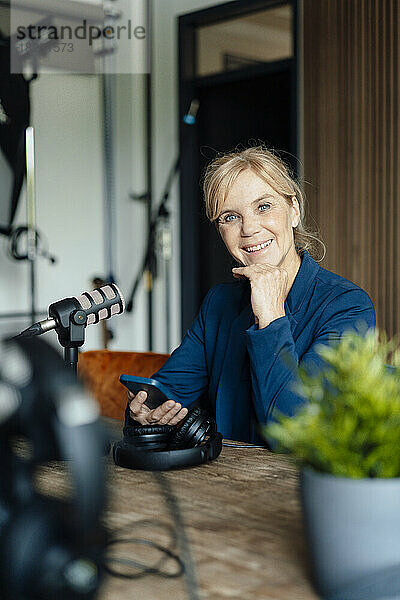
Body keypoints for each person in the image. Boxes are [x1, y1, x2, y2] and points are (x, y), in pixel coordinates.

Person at [127, 146, 375, 443]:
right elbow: (166, 391)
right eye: (230, 217)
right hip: (221, 480)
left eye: (263, 207)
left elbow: (296, 433)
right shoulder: (219, 304)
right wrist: (141, 414)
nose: (249, 229)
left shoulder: (347, 307)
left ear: (294, 210)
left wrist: (271, 316)